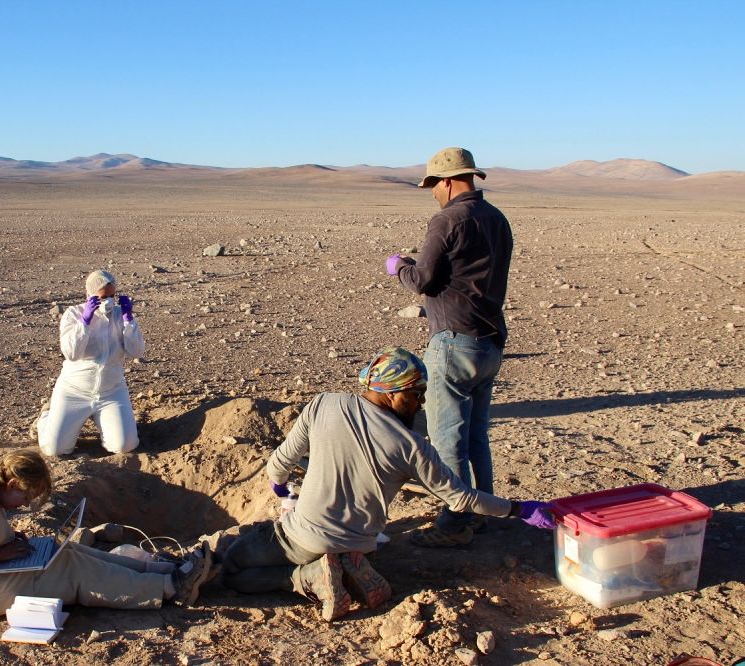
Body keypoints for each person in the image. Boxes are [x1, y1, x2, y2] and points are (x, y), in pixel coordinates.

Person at [220, 347, 553, 622]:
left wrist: (281, 491)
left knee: (231, 568)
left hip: (304, 536)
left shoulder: (323, 404)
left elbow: (279, 465)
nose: (421, 403)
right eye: (416, 394)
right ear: (392, 393)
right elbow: (462, 498)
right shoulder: (412, 446)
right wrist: (519, 509)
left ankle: (303, 578)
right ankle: (345, 565)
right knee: (258, 552)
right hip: (361, 543)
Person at [385, 147, 513, 547]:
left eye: (433, 186)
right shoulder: (497, 219)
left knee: (446, 437)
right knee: (476, 435)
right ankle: (484, 512)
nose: (434, 194)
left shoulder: (448, 219)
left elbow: (422, 280)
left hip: (454, 341)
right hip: (489, 341)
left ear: (447, 181)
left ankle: (455, 520)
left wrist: (399, 266)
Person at [0, 449, 212, 619]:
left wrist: (5, 540)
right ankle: (171, 587)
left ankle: (163, 568)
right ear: (11, 485)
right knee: (69, 569)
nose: (27, 505)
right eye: (26, 498)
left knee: (66, 551)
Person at [35, 269, 145, 456]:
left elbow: (136, 351)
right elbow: (71, 353)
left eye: (112, 296)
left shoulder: (119, 315)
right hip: (74, 391)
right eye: (103, 297)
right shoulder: (74, 314)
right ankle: (47, 417)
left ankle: (103, 420)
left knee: (124, 445)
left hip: (111, 391)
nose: (108, 301)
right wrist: (84, 322)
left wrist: (129, 322)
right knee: (55, 449)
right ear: (89, 295)